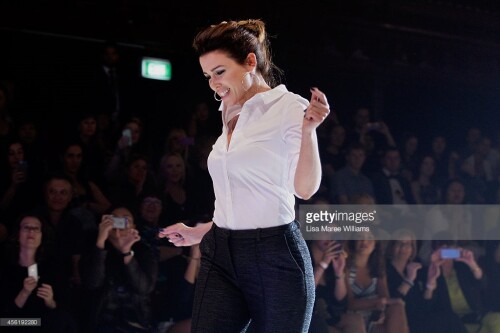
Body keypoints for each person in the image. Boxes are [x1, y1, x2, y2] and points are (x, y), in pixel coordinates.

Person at [159, 19, 330, 332]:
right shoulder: (228, 109)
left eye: (220, 72)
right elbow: (243, 194)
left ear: (250, 61)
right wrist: (201, 232)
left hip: (275, 258)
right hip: (220, 252)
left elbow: (305, 189)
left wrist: (309, 132)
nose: (213, 83)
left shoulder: (289, 107)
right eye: (208, 75)